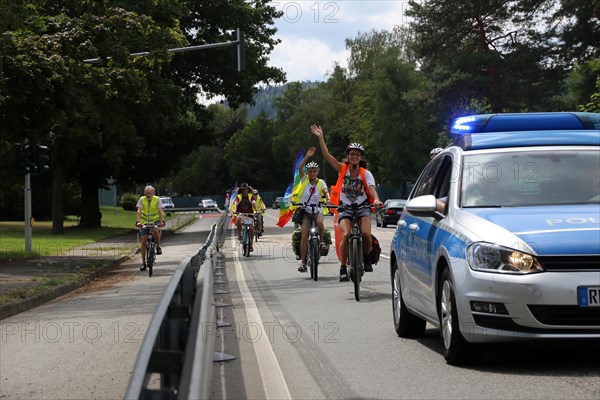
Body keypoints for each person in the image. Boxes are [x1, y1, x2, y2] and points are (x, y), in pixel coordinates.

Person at [310, 124, 383, 281]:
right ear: (348, 156)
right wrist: (321, 137)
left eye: (357, 154)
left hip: (363, 207)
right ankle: (343, 267)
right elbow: (328, 157)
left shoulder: (365, 173)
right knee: (346, 234)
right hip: (345, 208)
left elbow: (371, 189)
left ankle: (366, 258)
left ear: (360, 157)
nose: (354, 157)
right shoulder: (342, 169)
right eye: (352, 154)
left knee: (365, 234)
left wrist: (376, 199)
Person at [291, 147, 330, 273]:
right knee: (304, 235)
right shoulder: (304, 180)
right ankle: (303, 262)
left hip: (317, 209)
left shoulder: (321, 182)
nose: (312, 173)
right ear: (307, 172)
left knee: (319, 223)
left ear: (317, 172)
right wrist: (307, 156)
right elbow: (299, 168)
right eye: (310, 171)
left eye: (314, 171)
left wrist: (328, 198)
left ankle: (322, 242)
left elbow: (325, 191)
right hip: (306, 211)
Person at [136, 185, 165, 271]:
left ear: (153, 193)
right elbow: (139, 211)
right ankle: (143, 263)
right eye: (147, 193)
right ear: (144, 193)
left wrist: (161, 221)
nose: (148, 195)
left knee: (156, 230)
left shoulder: (157, 199)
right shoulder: (142, 199)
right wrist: (138, 221)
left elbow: (160, 211)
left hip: (155, 220)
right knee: (143, 241)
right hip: (144, 221)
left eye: (150, 193)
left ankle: (158, 246)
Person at [232, 182, 256, 251]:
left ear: (248, 190)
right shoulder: (238, 196)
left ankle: (251, 245)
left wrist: (256, 210)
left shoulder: (251, 196)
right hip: (241, 214)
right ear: (241, 190)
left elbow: (254, 203)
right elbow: (236, 204)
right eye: (243, 189)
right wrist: (235, 211)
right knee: (238, 218)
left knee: (251, 229)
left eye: (246, 189)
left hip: (250, 215)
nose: (244, 190)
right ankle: (240, 235)